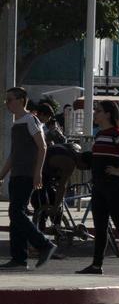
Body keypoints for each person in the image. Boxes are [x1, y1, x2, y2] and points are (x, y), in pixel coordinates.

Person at [76, 99, 119, 277]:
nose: (95, 113)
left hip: (115, 188)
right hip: (99, 188)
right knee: (100, 227)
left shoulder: (117, 134)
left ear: (107, 114)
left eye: (98, 111)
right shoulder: (99, 135)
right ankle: (96, 265)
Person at [1, 88, 57, 270]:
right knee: (16, 215)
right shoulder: (17, 123)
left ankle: (44, 244)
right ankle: (19, 259)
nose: (7, 104)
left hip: (27, 174)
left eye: (9, 100)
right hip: (17, 174)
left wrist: (38, 172)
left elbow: (42, 147)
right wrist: (2, 174)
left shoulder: (31, 120)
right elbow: (14, 154)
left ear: (21, 100)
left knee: (16, 212)